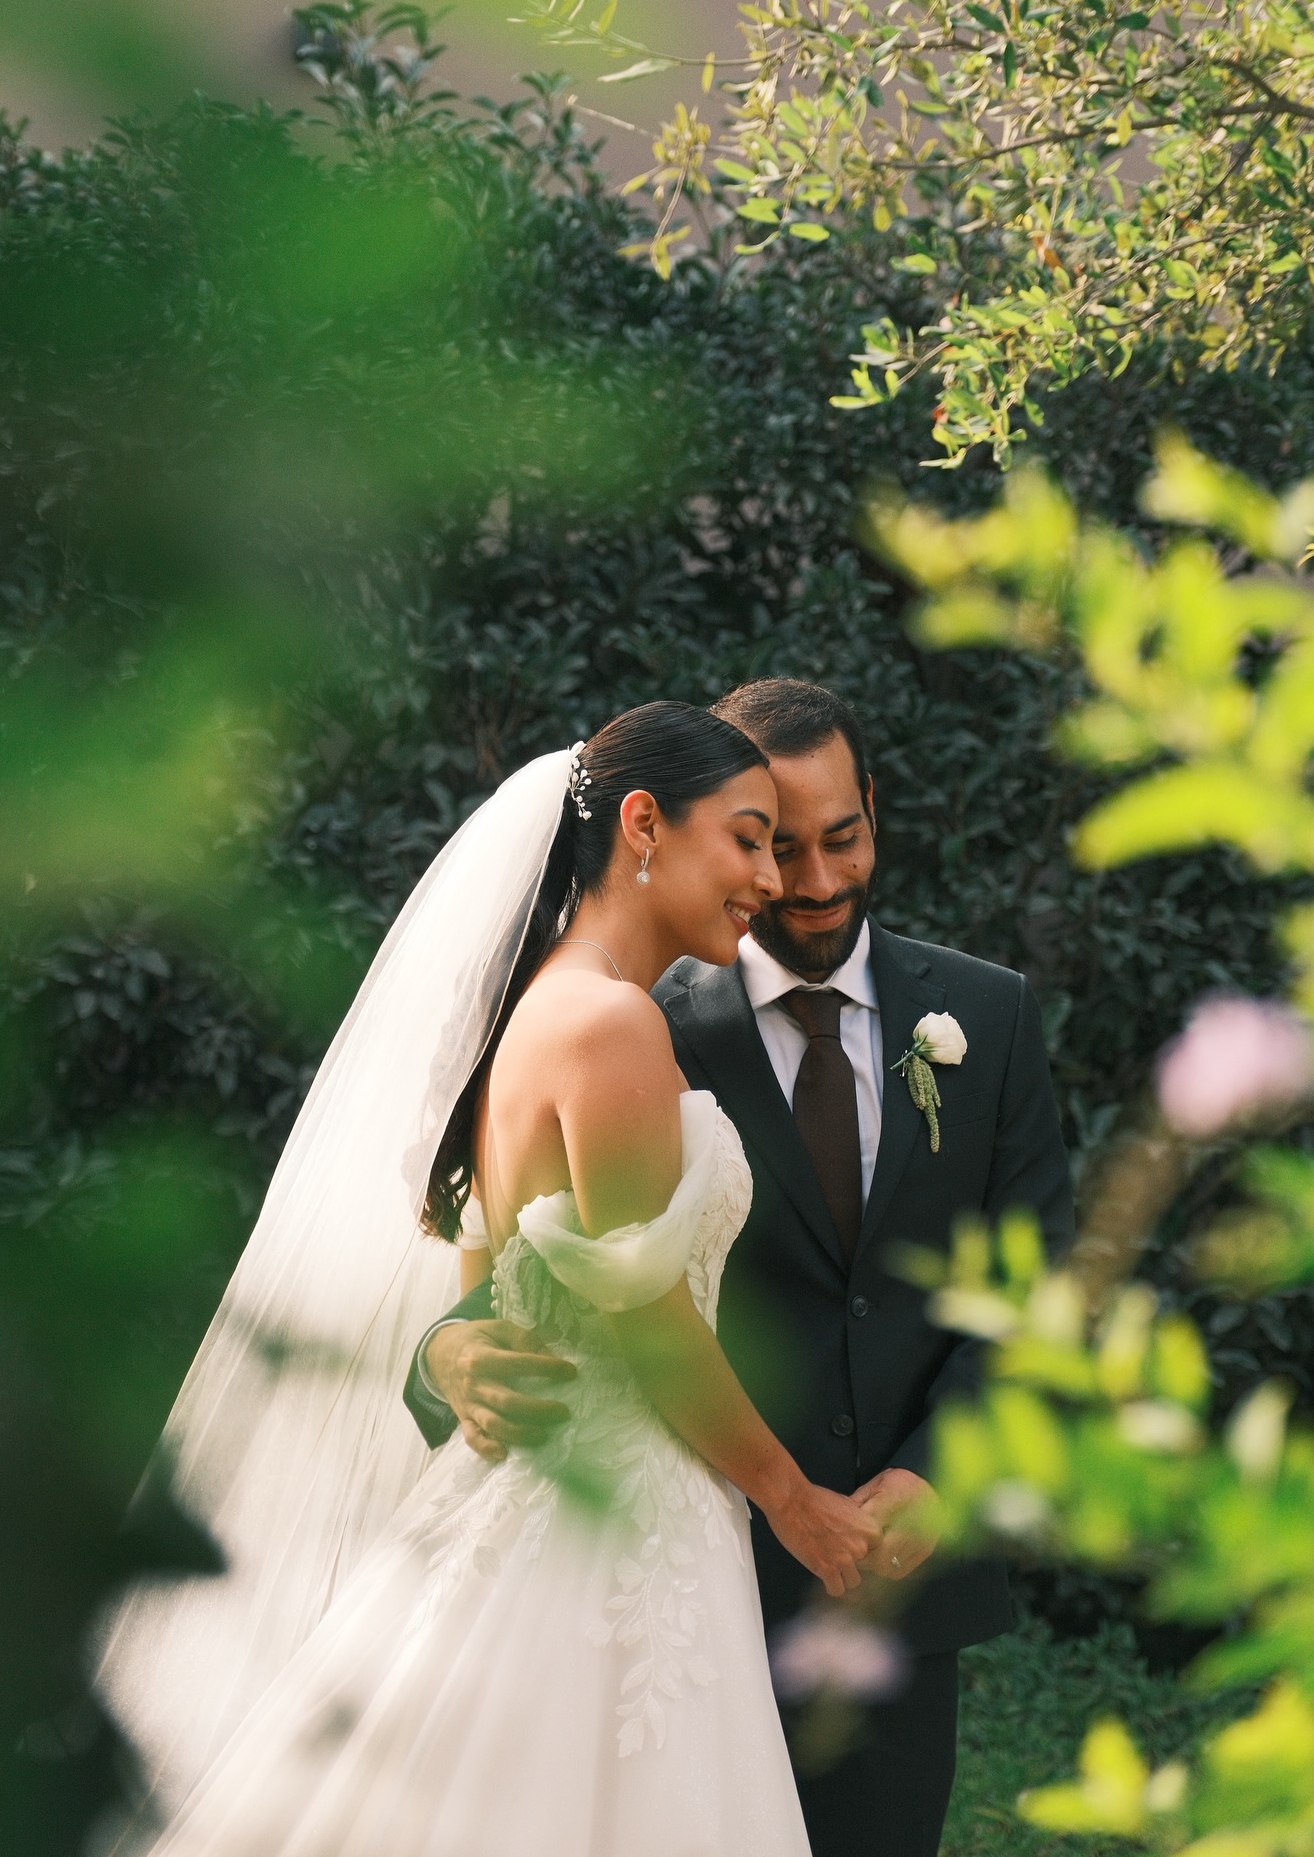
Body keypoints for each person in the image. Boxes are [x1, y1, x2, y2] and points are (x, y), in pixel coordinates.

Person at [95, 699, 890, 1857]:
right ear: (643, 825)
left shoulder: (536, 1009)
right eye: (749, 836)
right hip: (612, 1525)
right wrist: (790, 1495)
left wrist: (463, 1344)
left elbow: (492, 1277)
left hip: (569, 1486)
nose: (771, 877)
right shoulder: (612, 1023)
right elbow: (651, 1318)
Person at [406, 677, 1076, 1857]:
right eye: (770, 843)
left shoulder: (990, 1014)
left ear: (876, 807)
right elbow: (517, 1265)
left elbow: (1036, 1291)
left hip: (893, 1596)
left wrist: (941, 1473)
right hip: (672, 1572)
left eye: (840, 838)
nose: (807, 882)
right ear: (681, 825)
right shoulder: (634, 1016)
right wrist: (447, 1348)